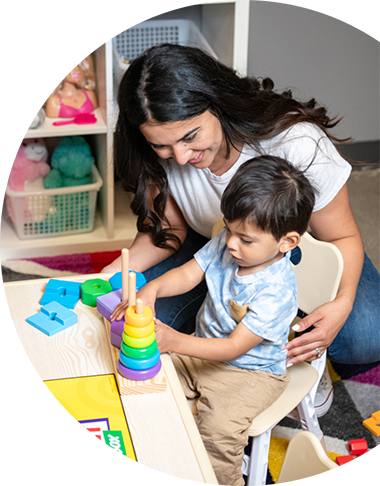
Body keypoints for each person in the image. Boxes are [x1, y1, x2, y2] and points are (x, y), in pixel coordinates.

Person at [103, 44, 380, 388]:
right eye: (162, 146)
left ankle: (300, 371)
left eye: (190, 136)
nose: (180, 156)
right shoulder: (160, 151)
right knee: (135, 322)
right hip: (212, 246)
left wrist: (342, 302)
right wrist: (114, 270)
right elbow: (170, 229)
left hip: (297, 249)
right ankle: (222, 321)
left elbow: (341, 237)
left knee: (365, 336)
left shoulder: (296, 142)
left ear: (216, 103)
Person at [135, 155, 316, 485]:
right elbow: (188, 275)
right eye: (229, 229)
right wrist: (153, 288)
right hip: (200, 351)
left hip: (250, 372)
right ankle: (167, 462)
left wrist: (174, 341)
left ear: (286, 242)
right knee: (146, 381)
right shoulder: (228, 242)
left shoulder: (276, 291)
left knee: (217, 433)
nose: (230, 242)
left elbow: (233, 348)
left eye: (245, 239)